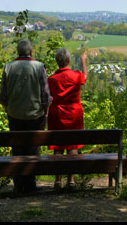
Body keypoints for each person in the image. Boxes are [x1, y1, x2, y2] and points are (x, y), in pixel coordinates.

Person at [0, 38, 52, 193]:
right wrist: (45, 112)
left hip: (15, 115)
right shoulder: (39, 67)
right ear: (31, 51)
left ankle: (18, 184)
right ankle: (30, 184)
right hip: (36, 115)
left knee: (17, 149)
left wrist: (9, 109)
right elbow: (46, 96)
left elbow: (3, 97)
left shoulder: (8, 67)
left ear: (18, 51)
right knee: (33, 150)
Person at [47, 48, 88, 189]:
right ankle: (71, 180)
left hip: (57, 113)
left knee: (58, 147)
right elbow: (85, 77)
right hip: (74, 113)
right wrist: (83, 61)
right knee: (73, 145)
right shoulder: (76, 76)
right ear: (69, 61)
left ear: (57, 62)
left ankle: (58, 181)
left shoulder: (51, 79)